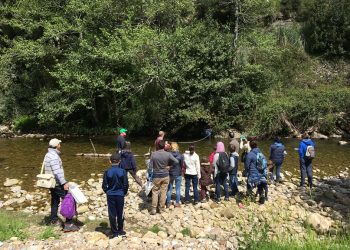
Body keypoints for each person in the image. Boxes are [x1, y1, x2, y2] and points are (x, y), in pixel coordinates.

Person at [44, 138, 79, 232]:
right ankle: (69, 224)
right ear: (56, 146)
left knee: (55, 200)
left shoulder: (48, 154)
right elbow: (57, 171)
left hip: (51, 182)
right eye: (59, 144)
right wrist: (64, 182)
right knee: (69, 199)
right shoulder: (54, 156)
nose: (60, 145)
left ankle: (53, 220)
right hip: (57, 183)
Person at [102, 153, 129, 238]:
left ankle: (114, 232)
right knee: (120, 212)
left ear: (110, 161)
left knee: (112, 213)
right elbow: (126, 185)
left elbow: (104, 186)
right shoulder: (123, 171)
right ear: (119, 161)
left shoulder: (107, 171)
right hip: (120, 194)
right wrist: (123, 192)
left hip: (110, 194)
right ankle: (120, 230)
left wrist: (108, 192)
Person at [149, 140, 178, 215]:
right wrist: (170, 166)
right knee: (163, 192)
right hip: (165, 175)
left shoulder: (153, 154)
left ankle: (154, 209)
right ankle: (161, 208)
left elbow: (150, 167)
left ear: (158, 146)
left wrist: (149, 176)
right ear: (164, 146)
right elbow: (176, 161)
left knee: (155, 192)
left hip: (156, 176)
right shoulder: (168, 154)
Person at [166, 142, 183, 208]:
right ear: (177, 147)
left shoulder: (169, 155)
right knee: (178, 189)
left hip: (170, 173)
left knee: (169, 189)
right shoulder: (180, 155)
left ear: (171, 148)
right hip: (178, 173)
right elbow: (181, 165)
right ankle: (177, 203)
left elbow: (167, 164)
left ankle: (168, 203)